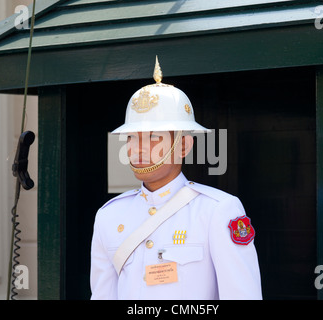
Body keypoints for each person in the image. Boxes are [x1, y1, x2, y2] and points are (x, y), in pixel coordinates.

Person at [90, 57, 262, 300]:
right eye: (132, 138)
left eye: (153, 138)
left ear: (183, 145)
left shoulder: (217, 210)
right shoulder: (109, 216)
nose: (138, 149)